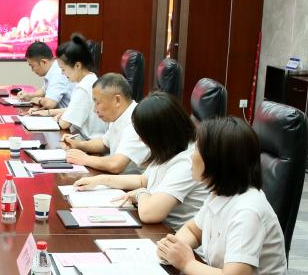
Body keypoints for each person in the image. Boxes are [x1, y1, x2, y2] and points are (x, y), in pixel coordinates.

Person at [156, 116, 299, 275]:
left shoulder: (248, 210)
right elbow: (194, 230)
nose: (191, 155)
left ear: (217, 160)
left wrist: (186, 263)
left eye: (197, 149)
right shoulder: (220, 193)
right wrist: (174, 246)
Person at [75, 91, 209, 227]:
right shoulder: (170, 149)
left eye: (143, 134)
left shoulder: (186, 162)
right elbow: (143, 180)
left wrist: (141, 193)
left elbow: (149, 214)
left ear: (159, 135)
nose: (140, 139)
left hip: (171, 233)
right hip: (158, 229)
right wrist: (100, 180)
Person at [62, 73, 149, 174]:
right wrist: (78, 144)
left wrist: (84, 158)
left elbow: (116, 164)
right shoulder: (120, 115)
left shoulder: (136, 121)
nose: (94, 109)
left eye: (97, 102)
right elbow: (104, 143)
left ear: (117, 100)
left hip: (135, 181)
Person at [49, 34, 107, 138]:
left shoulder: (84, 87)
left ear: (77, 66)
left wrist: (60, 119)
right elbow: (72, 110)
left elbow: (64, 124)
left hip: (90, 141)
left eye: (63, 69)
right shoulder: (90, 79)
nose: (62, 73)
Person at [22, 41, 70, 110]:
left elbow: (49, 103)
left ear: (43, 62)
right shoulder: (53, 69)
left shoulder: (58, 73)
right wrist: (29, 95)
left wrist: (38, 100)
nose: (32, 70)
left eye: (32, 66)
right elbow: (44, 90)